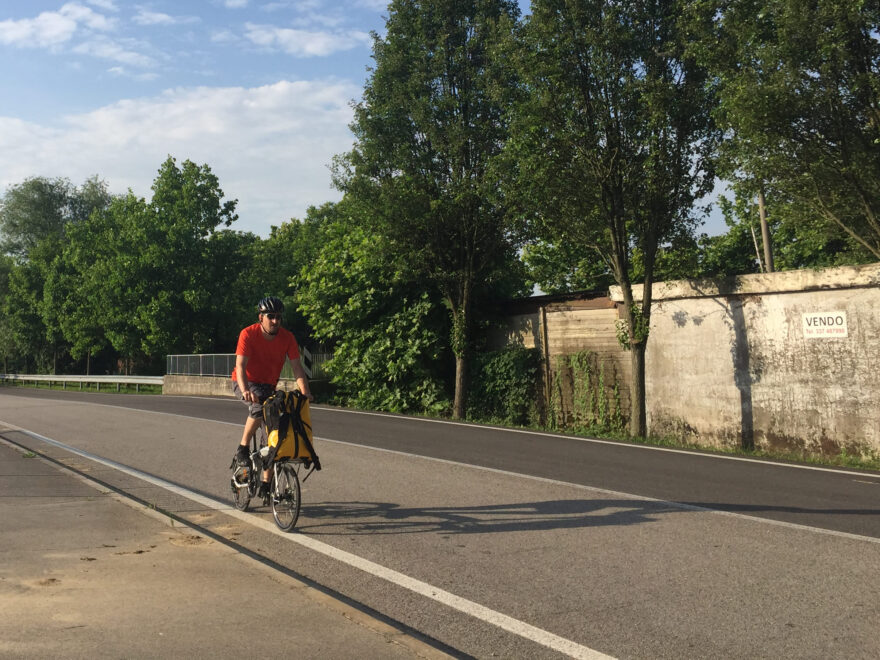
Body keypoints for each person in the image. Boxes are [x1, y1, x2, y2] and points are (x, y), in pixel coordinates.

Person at [231, 296, 313, 499]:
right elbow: (240, 366)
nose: (275, 321)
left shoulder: (287, 338)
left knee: (274, 435)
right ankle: (242, 448)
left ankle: (266, 484)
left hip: (269, 386)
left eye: (278, 317)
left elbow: (297, 368)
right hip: (246, 382)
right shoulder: (248, 334)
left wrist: (305, 392)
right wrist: (245, 390)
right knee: (258, 407)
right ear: (261, 317)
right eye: (271, 316)